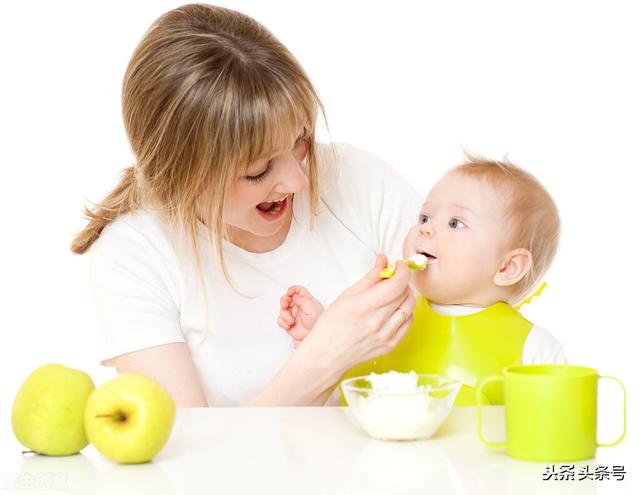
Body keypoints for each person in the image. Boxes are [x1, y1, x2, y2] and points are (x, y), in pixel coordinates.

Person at [70, 4, 423, 407]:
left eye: (300, 141)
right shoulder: (136, 255)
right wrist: (327, 354)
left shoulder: (358, 178)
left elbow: (474, 293)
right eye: (258, 171)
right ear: (181, 174)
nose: (297, 181)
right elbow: (189, 456)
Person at [278, 154, 567, 404]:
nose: (425, 230)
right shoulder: (392, 317)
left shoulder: (533, 348)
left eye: (455, 223)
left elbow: (553, 429)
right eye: (425, 217)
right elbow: (349, 387)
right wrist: (319, 332)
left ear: (508, 267)